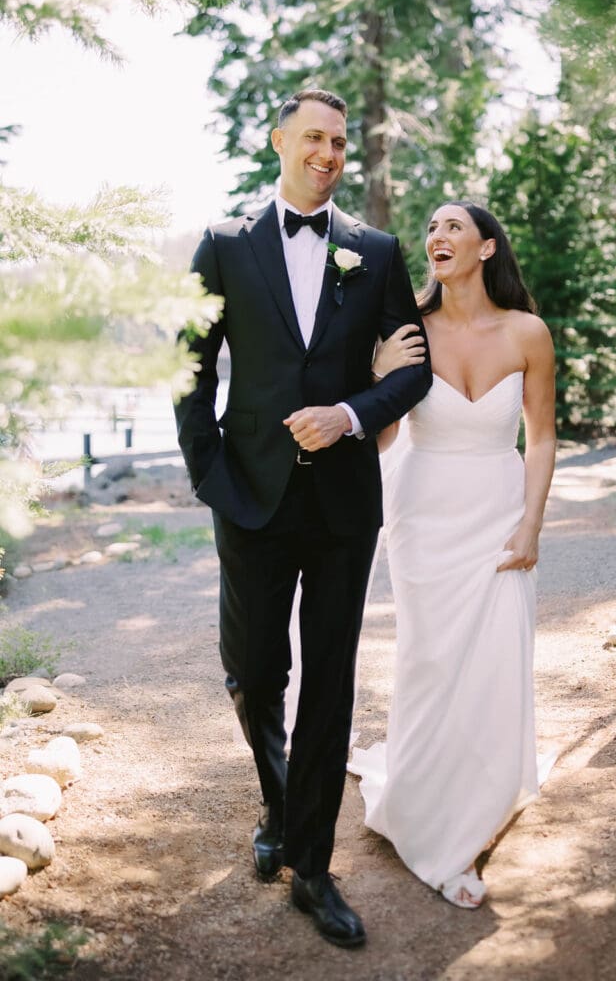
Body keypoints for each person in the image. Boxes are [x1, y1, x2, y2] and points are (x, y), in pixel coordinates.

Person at [174, 88, 431, 948]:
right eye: (314, 137)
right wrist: (208, 469)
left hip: (344, 502)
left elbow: (413, 371)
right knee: (252, 668)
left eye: (340, 141)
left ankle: (313, 866)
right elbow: (190, 363)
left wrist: (351, 414)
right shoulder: (223, 244)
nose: (329, 152)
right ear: (278, 139)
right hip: (248, 493)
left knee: (329, 676)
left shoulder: (377, 250)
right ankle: (282, 805)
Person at [348, 200, 556, 909]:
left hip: (498, 509)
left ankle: (475, 809)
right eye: (432, 229)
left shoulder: (528, 332)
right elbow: (378, 440)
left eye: (453, 227)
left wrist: (531, 524)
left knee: (498, 655)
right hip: (423, 512)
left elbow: (543, 436)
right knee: (430, 658)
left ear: (487, 248)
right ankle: (425, 801)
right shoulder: (409, 333)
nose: (437, 237)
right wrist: (378, 381)